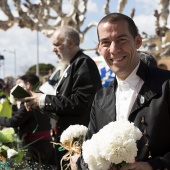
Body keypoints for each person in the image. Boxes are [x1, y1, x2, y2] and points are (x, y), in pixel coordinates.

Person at [70, 12, 170, 170]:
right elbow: (89, 151)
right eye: (105, 43)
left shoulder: (167, 85)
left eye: (121, 40)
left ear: (137, 41)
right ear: (99, 48)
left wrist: (153, 166)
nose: (114, 49)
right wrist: (81, 163)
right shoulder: (101, 98)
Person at [23, 26, 102, 169]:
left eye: (56, 44)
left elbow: (80, 102)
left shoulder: (83, 63)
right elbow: (65, 102)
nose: (53, 49)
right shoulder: (72, 65)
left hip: (78, 143)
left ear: (70, 43)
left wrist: (43, 100)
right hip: (67, 141)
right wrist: (38, 102)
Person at [0, 74, 56, 166]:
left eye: (19, 84)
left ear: (28, 85)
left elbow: (15, 121)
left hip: (35, 144)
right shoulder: (42, 96)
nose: (15, 87)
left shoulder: (29, 100)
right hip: (46, 142)